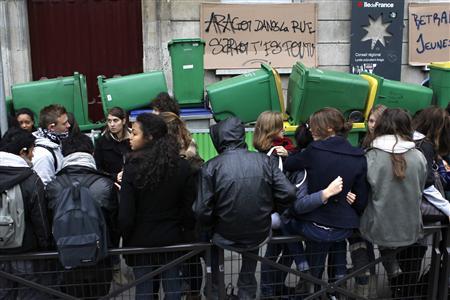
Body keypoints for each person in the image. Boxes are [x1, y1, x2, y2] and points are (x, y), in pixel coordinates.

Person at [193, 117, 296, 300]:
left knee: (217, 270)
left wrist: (212, 223)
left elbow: (201, 209)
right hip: (258, 229)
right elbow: (288, 192)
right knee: (248, 271)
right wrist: (268, 209)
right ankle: (245, 294)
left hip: (222, 233)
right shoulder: (265, 161)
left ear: (218, 139)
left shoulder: (210, 167)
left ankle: (217, 292)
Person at [283, 107, 368, 290]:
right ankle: (334, 290)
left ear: (329, 128)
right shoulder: (359, 156)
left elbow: (290, 164)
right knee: (335, 248)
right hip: (344, 227)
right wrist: (347, 196)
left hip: (315, 225)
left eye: (315, 126)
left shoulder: (314, 150)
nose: (311, 129)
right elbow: (361, 201)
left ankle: (308, 279)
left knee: (286, 222)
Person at [118, 113, 195, 300]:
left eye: (134, 133)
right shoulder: (182, 166)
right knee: (173, 289)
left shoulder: (132, 168)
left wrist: (126, 240)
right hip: (173, 239)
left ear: (149, 136)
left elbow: (126, 215)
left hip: (141, 242)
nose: (130, 137)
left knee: (144, 290)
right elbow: (189, 209)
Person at [359, 108, 427, 298]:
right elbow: (420, 189)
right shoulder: (419, 157)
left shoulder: (371, 156)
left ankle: (365, 287)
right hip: (410, 227)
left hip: (376, 227)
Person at [46, 133, 119, 299]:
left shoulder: (53, 186)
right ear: (91, 153)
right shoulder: (105, 184)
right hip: (99, 257)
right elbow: (114, 224)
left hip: (65, 257)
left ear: (64, 155)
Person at [0, 128, 51, 300]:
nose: (33, 156)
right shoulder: (30, 179)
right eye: (32, 151)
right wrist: (45, 245)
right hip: (25, 249)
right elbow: (41, 219)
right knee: (30, 291)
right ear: (23, 151)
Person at [252, 111, 295, 298]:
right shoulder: (275, 155)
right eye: (280, 126)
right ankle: (271, 288)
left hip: (266, 211)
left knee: (277, 251)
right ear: (272, 130)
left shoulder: (259, 153)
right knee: (283, 250)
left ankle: (273, 287)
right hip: (279, 212)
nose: (284, 128)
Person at [32, 104, 70, 185]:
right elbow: (43, 188)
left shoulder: (55, 143)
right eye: (64, 123)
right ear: (52, 127)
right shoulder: (43, 155)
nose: (68, 125)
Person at [94, 107, 131, 182]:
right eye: (109, 121)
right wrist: (114, 177)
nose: (112, 124)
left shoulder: (133, 139)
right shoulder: (101, 142)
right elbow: (97, 168)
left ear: (123, 121)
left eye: (115, 120)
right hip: (111, 183)